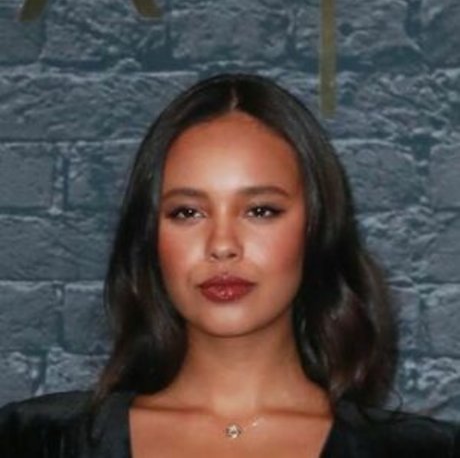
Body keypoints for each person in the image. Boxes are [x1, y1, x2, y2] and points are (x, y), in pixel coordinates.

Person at [0, 73, 458, 457]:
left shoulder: (424, 451)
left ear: (315, 228)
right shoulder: (35, 440)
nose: (222, 245)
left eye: (260, 210)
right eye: (187, 212)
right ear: (150, 237)